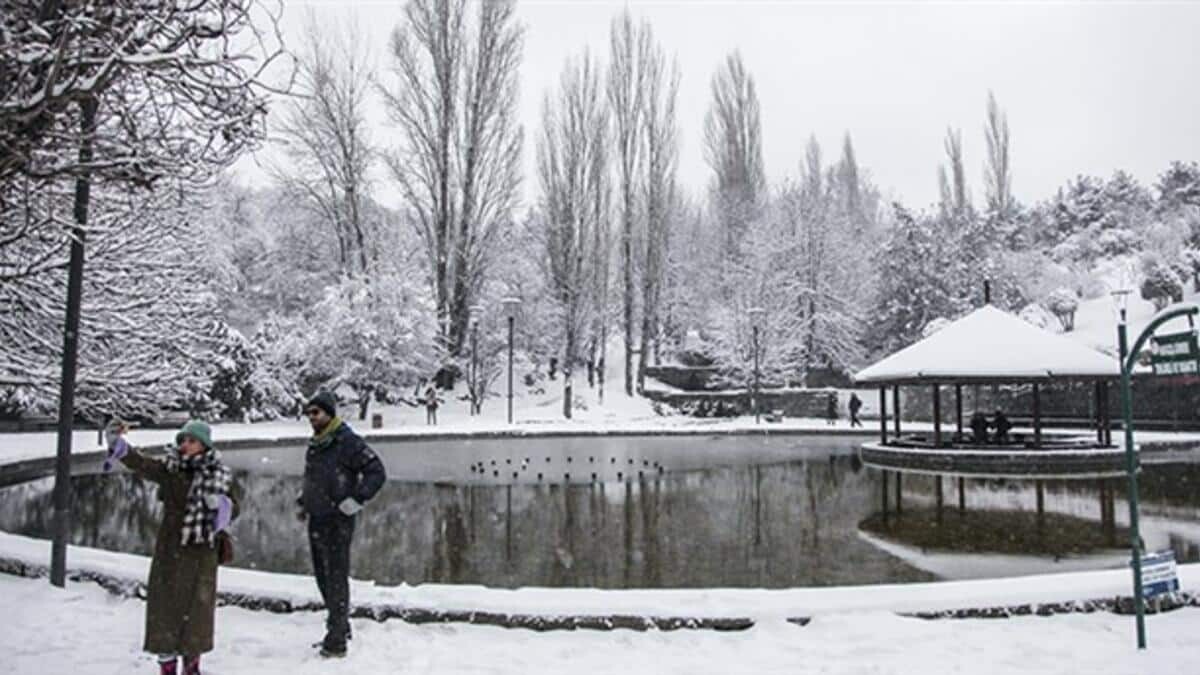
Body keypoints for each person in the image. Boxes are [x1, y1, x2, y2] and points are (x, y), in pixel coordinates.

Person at [103, 419, 236, 675]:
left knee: (196, 612)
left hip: (202, 553)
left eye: (192, 440)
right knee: (165, 610)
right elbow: (142, 464)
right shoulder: (170, 469)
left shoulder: (220, 474)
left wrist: (222, 506)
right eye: (182, 440)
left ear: (205, 445)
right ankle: (167, 666)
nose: (185, 445)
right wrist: (119, 446)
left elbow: (236, 505)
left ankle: (192, 665)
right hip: (171, 550)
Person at [298, 391, 387, 658]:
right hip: (317, 516)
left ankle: (336, 640)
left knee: (336, 576)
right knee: (323, 576)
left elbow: (377, 471)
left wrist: (357, 498)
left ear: (329, 413)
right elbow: (316, 478)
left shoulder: (347, 441)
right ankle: (340, 625)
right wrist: (305, 500)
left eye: (317, 413)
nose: (312, 418)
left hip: (338, 519)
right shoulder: (317, 443)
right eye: (309, 413)